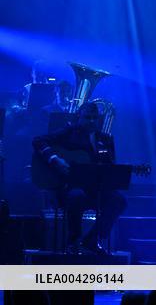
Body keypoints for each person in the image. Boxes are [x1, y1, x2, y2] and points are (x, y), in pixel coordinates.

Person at [32, 102, 127, 254]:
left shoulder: (106, 139)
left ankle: (92, 239)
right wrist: (55, 159)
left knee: (119, 201)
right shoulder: (70, 132)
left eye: (94, 118)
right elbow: (38, 141)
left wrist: (116, 173)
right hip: (69, 188)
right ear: (79, 118)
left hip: (95, 189)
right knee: (77, 197)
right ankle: (73, 240)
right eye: (87, 117)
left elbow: (109, 166)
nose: (91, 121)